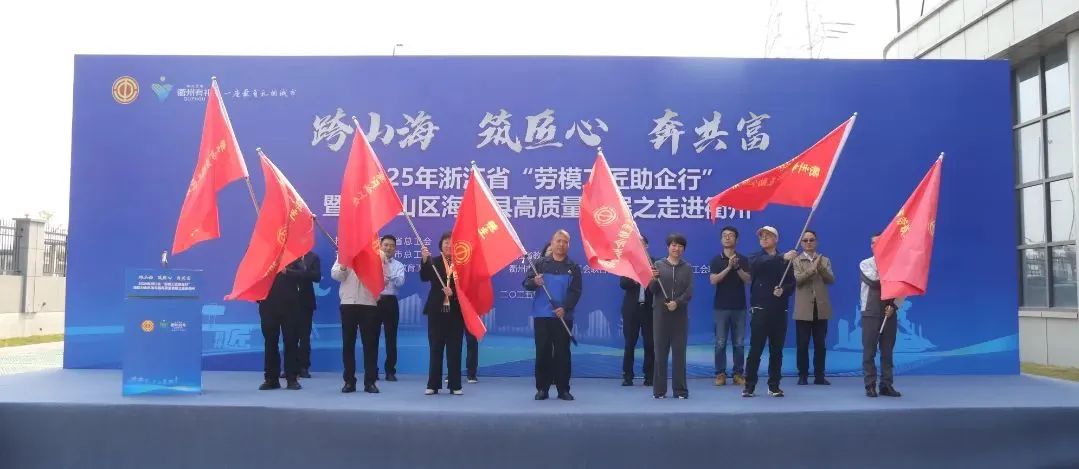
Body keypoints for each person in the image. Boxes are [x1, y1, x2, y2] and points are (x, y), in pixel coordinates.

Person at [524, 230, 582, 401]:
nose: (561, 244)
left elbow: (576, 291)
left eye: (565, 242)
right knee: (543, 352)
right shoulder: (540, 264)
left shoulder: (573, 267)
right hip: (542, 316)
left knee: (563, 353)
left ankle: (563, 389)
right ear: (552, 242)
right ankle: (542, 388)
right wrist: (534, 281)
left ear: (568, 245)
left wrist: (565, 308)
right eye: (558, 241)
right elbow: (526, 283)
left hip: (563, 317)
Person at [743, 226, 797, 398]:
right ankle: (749, 386)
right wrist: (781, 257)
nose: (764, 238)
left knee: (777, 351)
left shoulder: (787, 260)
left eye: (768, 236)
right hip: (760, 309)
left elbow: (792, 283)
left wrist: (784, 290)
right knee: (755, 350)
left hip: (779, 310)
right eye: (762, 236)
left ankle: (774, 385)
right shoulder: (755, 257)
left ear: (776, 239)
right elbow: (760, 264)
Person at [258, 257, 318, 391]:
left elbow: (303, 274)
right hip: (268, 304)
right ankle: (271, 379)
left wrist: (287, 271)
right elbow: (253, 276)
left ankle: (292, 378)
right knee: (270, 342)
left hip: (290, 305)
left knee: (291, 341)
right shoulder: (263, 255)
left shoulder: (292, 255)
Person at [649, 233, 694, 399]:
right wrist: (653, 279)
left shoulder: (687, 267)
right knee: (660, 353)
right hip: (660, 315)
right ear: (668, 247)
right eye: (674, 245)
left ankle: (680, 390)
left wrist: (677, 303)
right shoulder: (658, 265)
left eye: (680, 246)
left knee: (679, 354)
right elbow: (652, 290)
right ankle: (659, 390)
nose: (677, 248)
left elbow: (689, 291)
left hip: (679, 316)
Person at [421, 232, 465, 396]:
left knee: (455, 350)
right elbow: (424, 277)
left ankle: (455, 385)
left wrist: (453, 292)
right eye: (446, 242)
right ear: (441, 244)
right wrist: (424, 260)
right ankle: (433, 384)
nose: (449, 245)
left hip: (455, 313)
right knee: (435, 348)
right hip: (436, 312)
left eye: (452, 243)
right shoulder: (434, 262)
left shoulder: (462, 264)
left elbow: (466, 286)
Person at [331, 251, 381, 394]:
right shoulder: (344, 255)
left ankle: (370, 382)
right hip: (348, 303)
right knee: (348, 344)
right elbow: (336, 275)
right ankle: (349, 381)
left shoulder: (375, 256)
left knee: (370, 345)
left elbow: (382, 278)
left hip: (369, 303)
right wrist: (344, 265)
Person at [860, 233, 903, 398]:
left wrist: (894, 306)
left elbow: (902, 289)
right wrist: (892, 273)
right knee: (869, 351)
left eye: (879, 243)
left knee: (887, 351)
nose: (876, 245)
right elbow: (874, 281)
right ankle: (870, 385)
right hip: (871, 311)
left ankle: (886, 384)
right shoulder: (865, 263)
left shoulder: (897, 265)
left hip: (889, 312)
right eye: (873, 243)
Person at [709, 226, 751, 387]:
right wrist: (728, 267)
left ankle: (738, 374)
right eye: (724, 235)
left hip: (739, 307)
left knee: (739, 343)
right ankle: (720, 373)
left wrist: (737, 267)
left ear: (737, 239)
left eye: (731, 235)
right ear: (721, 239)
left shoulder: (743, 260)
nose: (727, 238)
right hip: (721, 307)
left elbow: (748, 280)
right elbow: (713, 280)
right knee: (720, 343)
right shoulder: (716, 260)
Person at [793, 230, 835, 386]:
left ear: (816, 242)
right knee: (802, 345)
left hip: (821, 308)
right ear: (801, 243)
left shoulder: (825, 260)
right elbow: (798, 280)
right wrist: (812, 269)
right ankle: (802, 375)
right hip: (803, 309)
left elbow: (830, 279)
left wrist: (820, 267)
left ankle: (819, 376)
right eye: (805, 240)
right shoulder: (796, 260)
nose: (809, 243)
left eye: (811, 240)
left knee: (820, 345)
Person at [619, 236, 655, 387]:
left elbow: (658, 287)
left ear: (647, 246)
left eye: (643, 244)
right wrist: (638, 276)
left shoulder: (655, 263)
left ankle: (649, 376)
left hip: (649, 309)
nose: (640, 247)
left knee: (650, 344)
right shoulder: (628, 263)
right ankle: (627, 376)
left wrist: (651, 275)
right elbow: (623, 283)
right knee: (629, 343)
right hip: (631, 310)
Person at [376, 235, 406, 382]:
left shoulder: (398, 265)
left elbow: (400, 282)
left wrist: (388, 273)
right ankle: (372, 370)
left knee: (391, 337)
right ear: (380, 246)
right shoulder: (373, 262)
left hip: (390, 301)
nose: (388, 248)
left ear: (395, 248)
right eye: (386, 245)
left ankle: (390, 371)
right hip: (374, 300)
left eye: (392, 246)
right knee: (372, 337)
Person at [293, 251, 320, 380]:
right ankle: (290, 367)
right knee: (290, 336)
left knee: (304, 336)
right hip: (289, 301)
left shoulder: (312, 257)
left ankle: (304, 367)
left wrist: (303, 270)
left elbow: (317, 276)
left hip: (305, 302)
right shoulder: (288, 255)